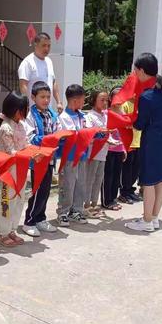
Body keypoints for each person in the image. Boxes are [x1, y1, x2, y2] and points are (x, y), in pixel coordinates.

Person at [125, 54, 162, 233]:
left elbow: (140, 123)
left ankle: (145, 221)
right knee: (161, 180)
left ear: (142, 70)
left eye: (136, 70)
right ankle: (153, 218)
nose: (135, 73)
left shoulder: (147, 96)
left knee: (149, 181)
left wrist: (130, 123)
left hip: (151, 140)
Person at [23, 81, 60, 237]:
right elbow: (30, 137)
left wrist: (58, 138)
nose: (46, 100)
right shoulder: (30, 115)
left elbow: (58, 130)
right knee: (37, 190)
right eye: (42, 97)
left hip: (49, 158)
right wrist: (49, 139)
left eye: (48, 97)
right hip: (37, 160)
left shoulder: (51, 113)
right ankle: (29, 221)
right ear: (33, 97)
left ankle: (40, 218)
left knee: (45, 191)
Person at [0, 91, 30, 247]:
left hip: (21, 168)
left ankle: (12, 229)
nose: (22, 114)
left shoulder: (21, 125)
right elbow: (10, 152)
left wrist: (34, 151)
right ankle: (3, 233)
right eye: (21, 110)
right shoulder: (5, 128)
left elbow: (26, 143)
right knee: (7, 201)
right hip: (8, 171)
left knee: (19, 199)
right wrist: (28, 153)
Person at [57, 84, 88, 227]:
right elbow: (66, 136)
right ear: (75, 100)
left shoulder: (82, 116)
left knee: (80, 184)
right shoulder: (63, 117)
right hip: (69, 157)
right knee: (68, 185)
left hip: (82, 155)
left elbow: (87, 133)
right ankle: (63, 212)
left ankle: (76, 210)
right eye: (82, 100)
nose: (84, 103)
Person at [18, 32, 64, 113]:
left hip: (47, 109)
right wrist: (27, 105)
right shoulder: (27, 62)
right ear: (36, 45)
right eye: (44, 45)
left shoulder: (49, 61)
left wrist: (58, 102)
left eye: (48, 46)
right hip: (32, 110)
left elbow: (53, 82)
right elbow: (23, 85)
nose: (46, 48)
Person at [84, 90, 111, 217]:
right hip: (93, 153)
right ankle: (86, 205)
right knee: (90, 179)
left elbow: (108, 133)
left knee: (99, 179)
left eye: (106, 100)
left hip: (103, 153)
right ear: (94, 100)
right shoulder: (89, 116)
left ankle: (95, 204)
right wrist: (102, 134)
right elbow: (90, 135)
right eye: (102, 100)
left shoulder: (106, 116)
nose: (105, 102)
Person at [101, 87, 126, 211]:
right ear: (111, 98)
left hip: (120, 149)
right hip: (109, 149)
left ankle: (113, 198)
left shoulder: (122, 114)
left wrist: (125, 149)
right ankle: (106, 201)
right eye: (116, 97)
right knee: (108, 176)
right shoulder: (106, 113)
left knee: (116, 176)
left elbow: (123, 134)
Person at [118, 95, 143, 204]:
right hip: (128, 143)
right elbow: (123, 123)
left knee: (135, 169)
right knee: (127, 170)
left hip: (138, 142)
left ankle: (130, 190)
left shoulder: (140, 106)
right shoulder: (125, 105)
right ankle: (124, 192)